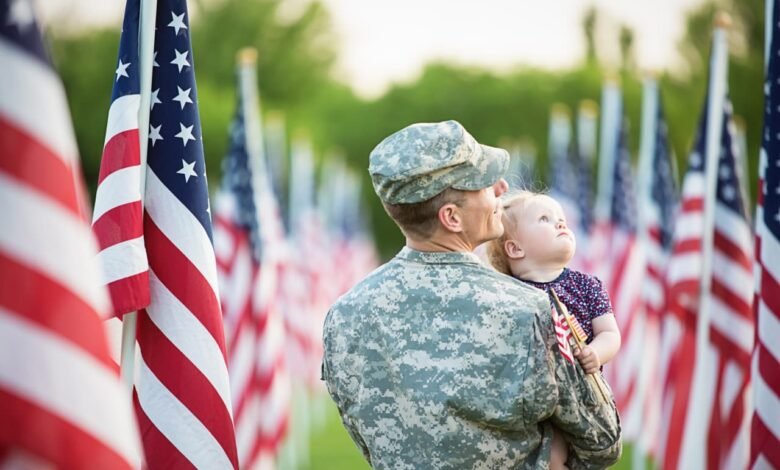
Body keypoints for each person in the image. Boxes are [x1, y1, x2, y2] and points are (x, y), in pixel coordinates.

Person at [321, 120, 622, 469]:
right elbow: (602, 440)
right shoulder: (530, 309)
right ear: (451, 217)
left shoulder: (345, 315)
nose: (502, 188)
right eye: (483, 183)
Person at [487, 190, 622, 469]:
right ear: (515, 249)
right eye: (545, 219)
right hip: (530, 400)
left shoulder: (586, 285)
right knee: (552, 455)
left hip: (579, 396)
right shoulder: (510, 294)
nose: (560, 223)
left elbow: (610, 334)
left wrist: (595, 353)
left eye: (561, 218)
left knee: (569, 450)